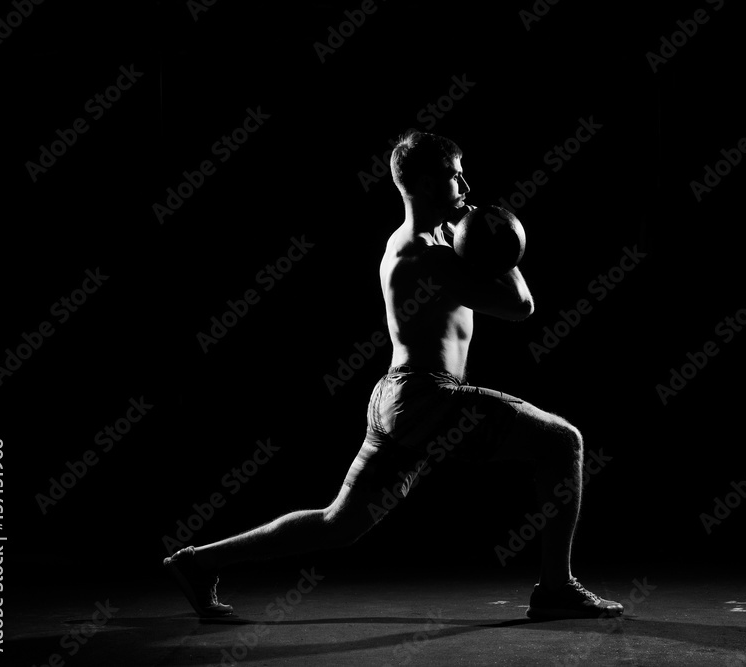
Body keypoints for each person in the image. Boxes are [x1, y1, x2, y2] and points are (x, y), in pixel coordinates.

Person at [163, 130, 623, 620]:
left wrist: (473, 232)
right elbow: (520, 306)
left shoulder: (423, 240)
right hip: (427, 397)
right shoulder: (428, 255)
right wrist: (500, 239)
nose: (465, 184)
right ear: (426, 185)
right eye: (453, 176)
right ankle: (556, 589)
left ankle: (197, 563)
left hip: (400, 399)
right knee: (563, 442)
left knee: (336, 523)